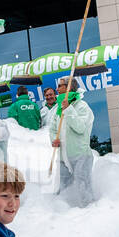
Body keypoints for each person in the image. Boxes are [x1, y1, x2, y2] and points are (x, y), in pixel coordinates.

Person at [48, 77, 96, 206]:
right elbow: (52, 128)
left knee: (83, 186)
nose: (57, 89)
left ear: (69, 88)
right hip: (63, 157)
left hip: (80, 155)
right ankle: (68, 215)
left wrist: (68, 109)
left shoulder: (82, 107)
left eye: (60, 86)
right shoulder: (58, 109)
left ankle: (90, 212)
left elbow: (80, 128)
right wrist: (54, 140)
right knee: (64, 189)